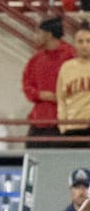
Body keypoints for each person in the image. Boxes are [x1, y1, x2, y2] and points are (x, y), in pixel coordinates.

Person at [24, 17, 75, 147]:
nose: (35, 36)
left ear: (48, 34)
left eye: (38, 32)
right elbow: (27, 85)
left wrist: (60, 98)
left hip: (64, 123)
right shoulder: (36, 59)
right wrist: (40, 95)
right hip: (39, 122)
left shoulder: (71, 56)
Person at [56, 22, 90, 147]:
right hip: (73, 127)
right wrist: (63, 126)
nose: (84, 45)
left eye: (88, 41)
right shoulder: (66, 67)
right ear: (74, 44)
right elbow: (61, 99)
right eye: (80, 41)